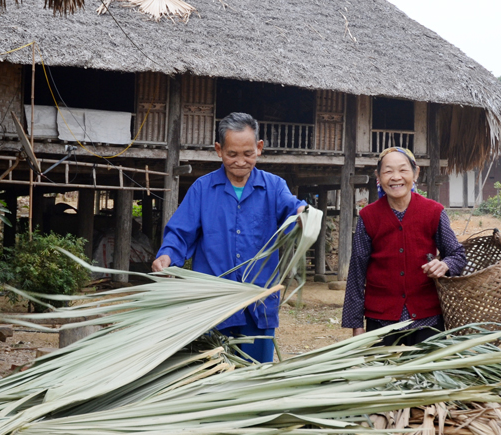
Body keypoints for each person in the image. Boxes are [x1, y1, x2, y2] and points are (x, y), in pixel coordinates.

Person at [152, 112, 306, 363]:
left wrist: (302, 214)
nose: (240, 161)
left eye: (247, 154)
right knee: (211, 377)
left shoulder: (274, 187)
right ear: (218, 150)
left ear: (259, 148)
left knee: (254, 380)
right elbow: (181, 232)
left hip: (258, 305)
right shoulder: (203, 188)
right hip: (212, 305)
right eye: (232, 154)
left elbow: (293, 209)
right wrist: (167, 255)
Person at [341, 147, 466, 345]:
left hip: (427, 317)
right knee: (381, 374)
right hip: (380, 317)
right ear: (378, 176)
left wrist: (445, 265)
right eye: (388, 171)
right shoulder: (368, 217)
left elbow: (457, 255)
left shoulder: (434, 211)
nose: (396, 177)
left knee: (427, 375)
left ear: (415, 173)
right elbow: (357, 273)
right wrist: (356, 326)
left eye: (403, 170)